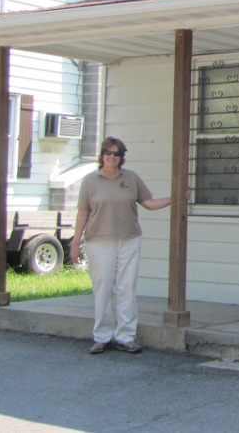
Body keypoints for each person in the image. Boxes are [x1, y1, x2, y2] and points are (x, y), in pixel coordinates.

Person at [70, 137, 172, 355]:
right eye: (108, 152)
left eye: (116, 154)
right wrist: (76, 241)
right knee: (103, 288)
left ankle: (125, 336)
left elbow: (149, 203)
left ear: (121, 157)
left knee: (126, 287)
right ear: (102, 155)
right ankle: (102, 336)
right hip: (99, 240)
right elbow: (83, 212)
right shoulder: (90, 180)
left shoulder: (131, 178)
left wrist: (176, 198)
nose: (112, 157)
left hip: (129, 238)